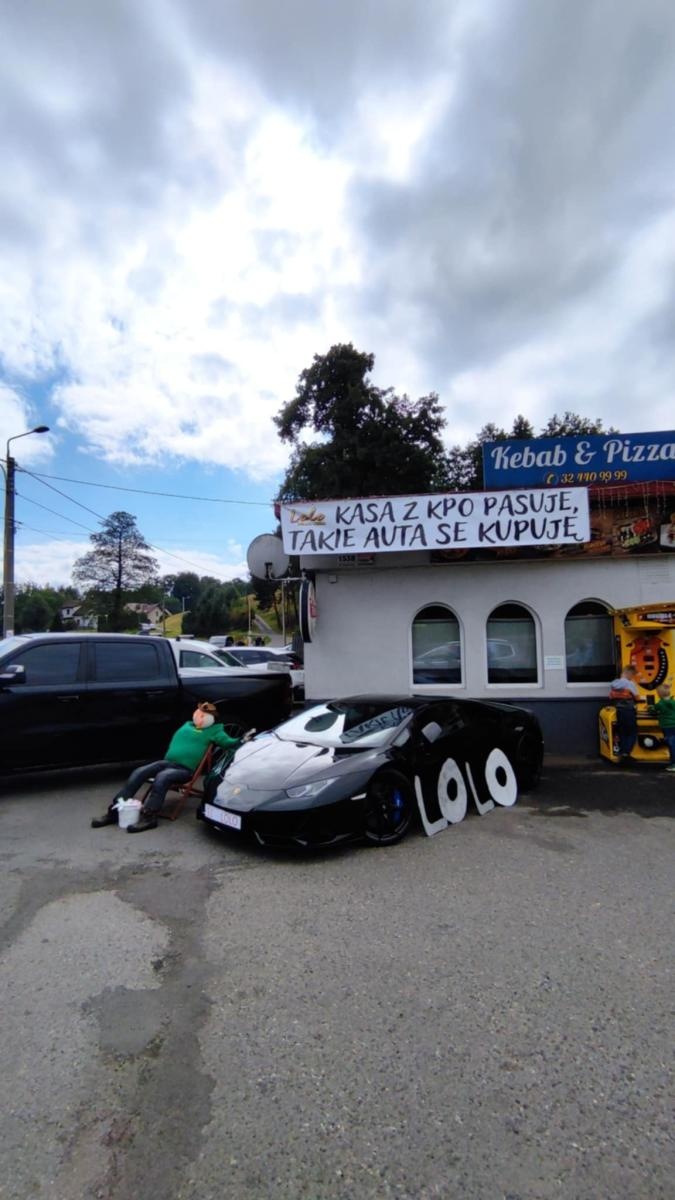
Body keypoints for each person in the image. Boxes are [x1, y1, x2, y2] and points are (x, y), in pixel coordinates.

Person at [91, 702, 253, 833]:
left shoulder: (215, 730)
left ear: (212, 719)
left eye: (204, 715)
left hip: (184, 770)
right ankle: (114, 811)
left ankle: (150, 816)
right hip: (167, 763)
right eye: (198, 712)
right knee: (139, 772)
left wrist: (242, 740)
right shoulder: (188, 725)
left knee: (163, 777)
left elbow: (229, 743)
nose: (200, 716)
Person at [608, 664, 641, 763]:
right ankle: (626, 754)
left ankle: (622, 753)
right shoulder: (630, 684)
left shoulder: (614, 684)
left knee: (622, 732)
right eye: (633, 675)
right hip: (629, 710)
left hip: (619, 710)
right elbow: (637, 697)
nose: (633, 677)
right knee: (632, 732)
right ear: (629, 674)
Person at [649, 682, 675, 772]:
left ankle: (673, 764)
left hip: (667, 726)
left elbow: (652, 711)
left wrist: (650, 707)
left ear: (659, 694)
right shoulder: (673, 702)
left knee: (671, 744)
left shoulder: (660, 704)